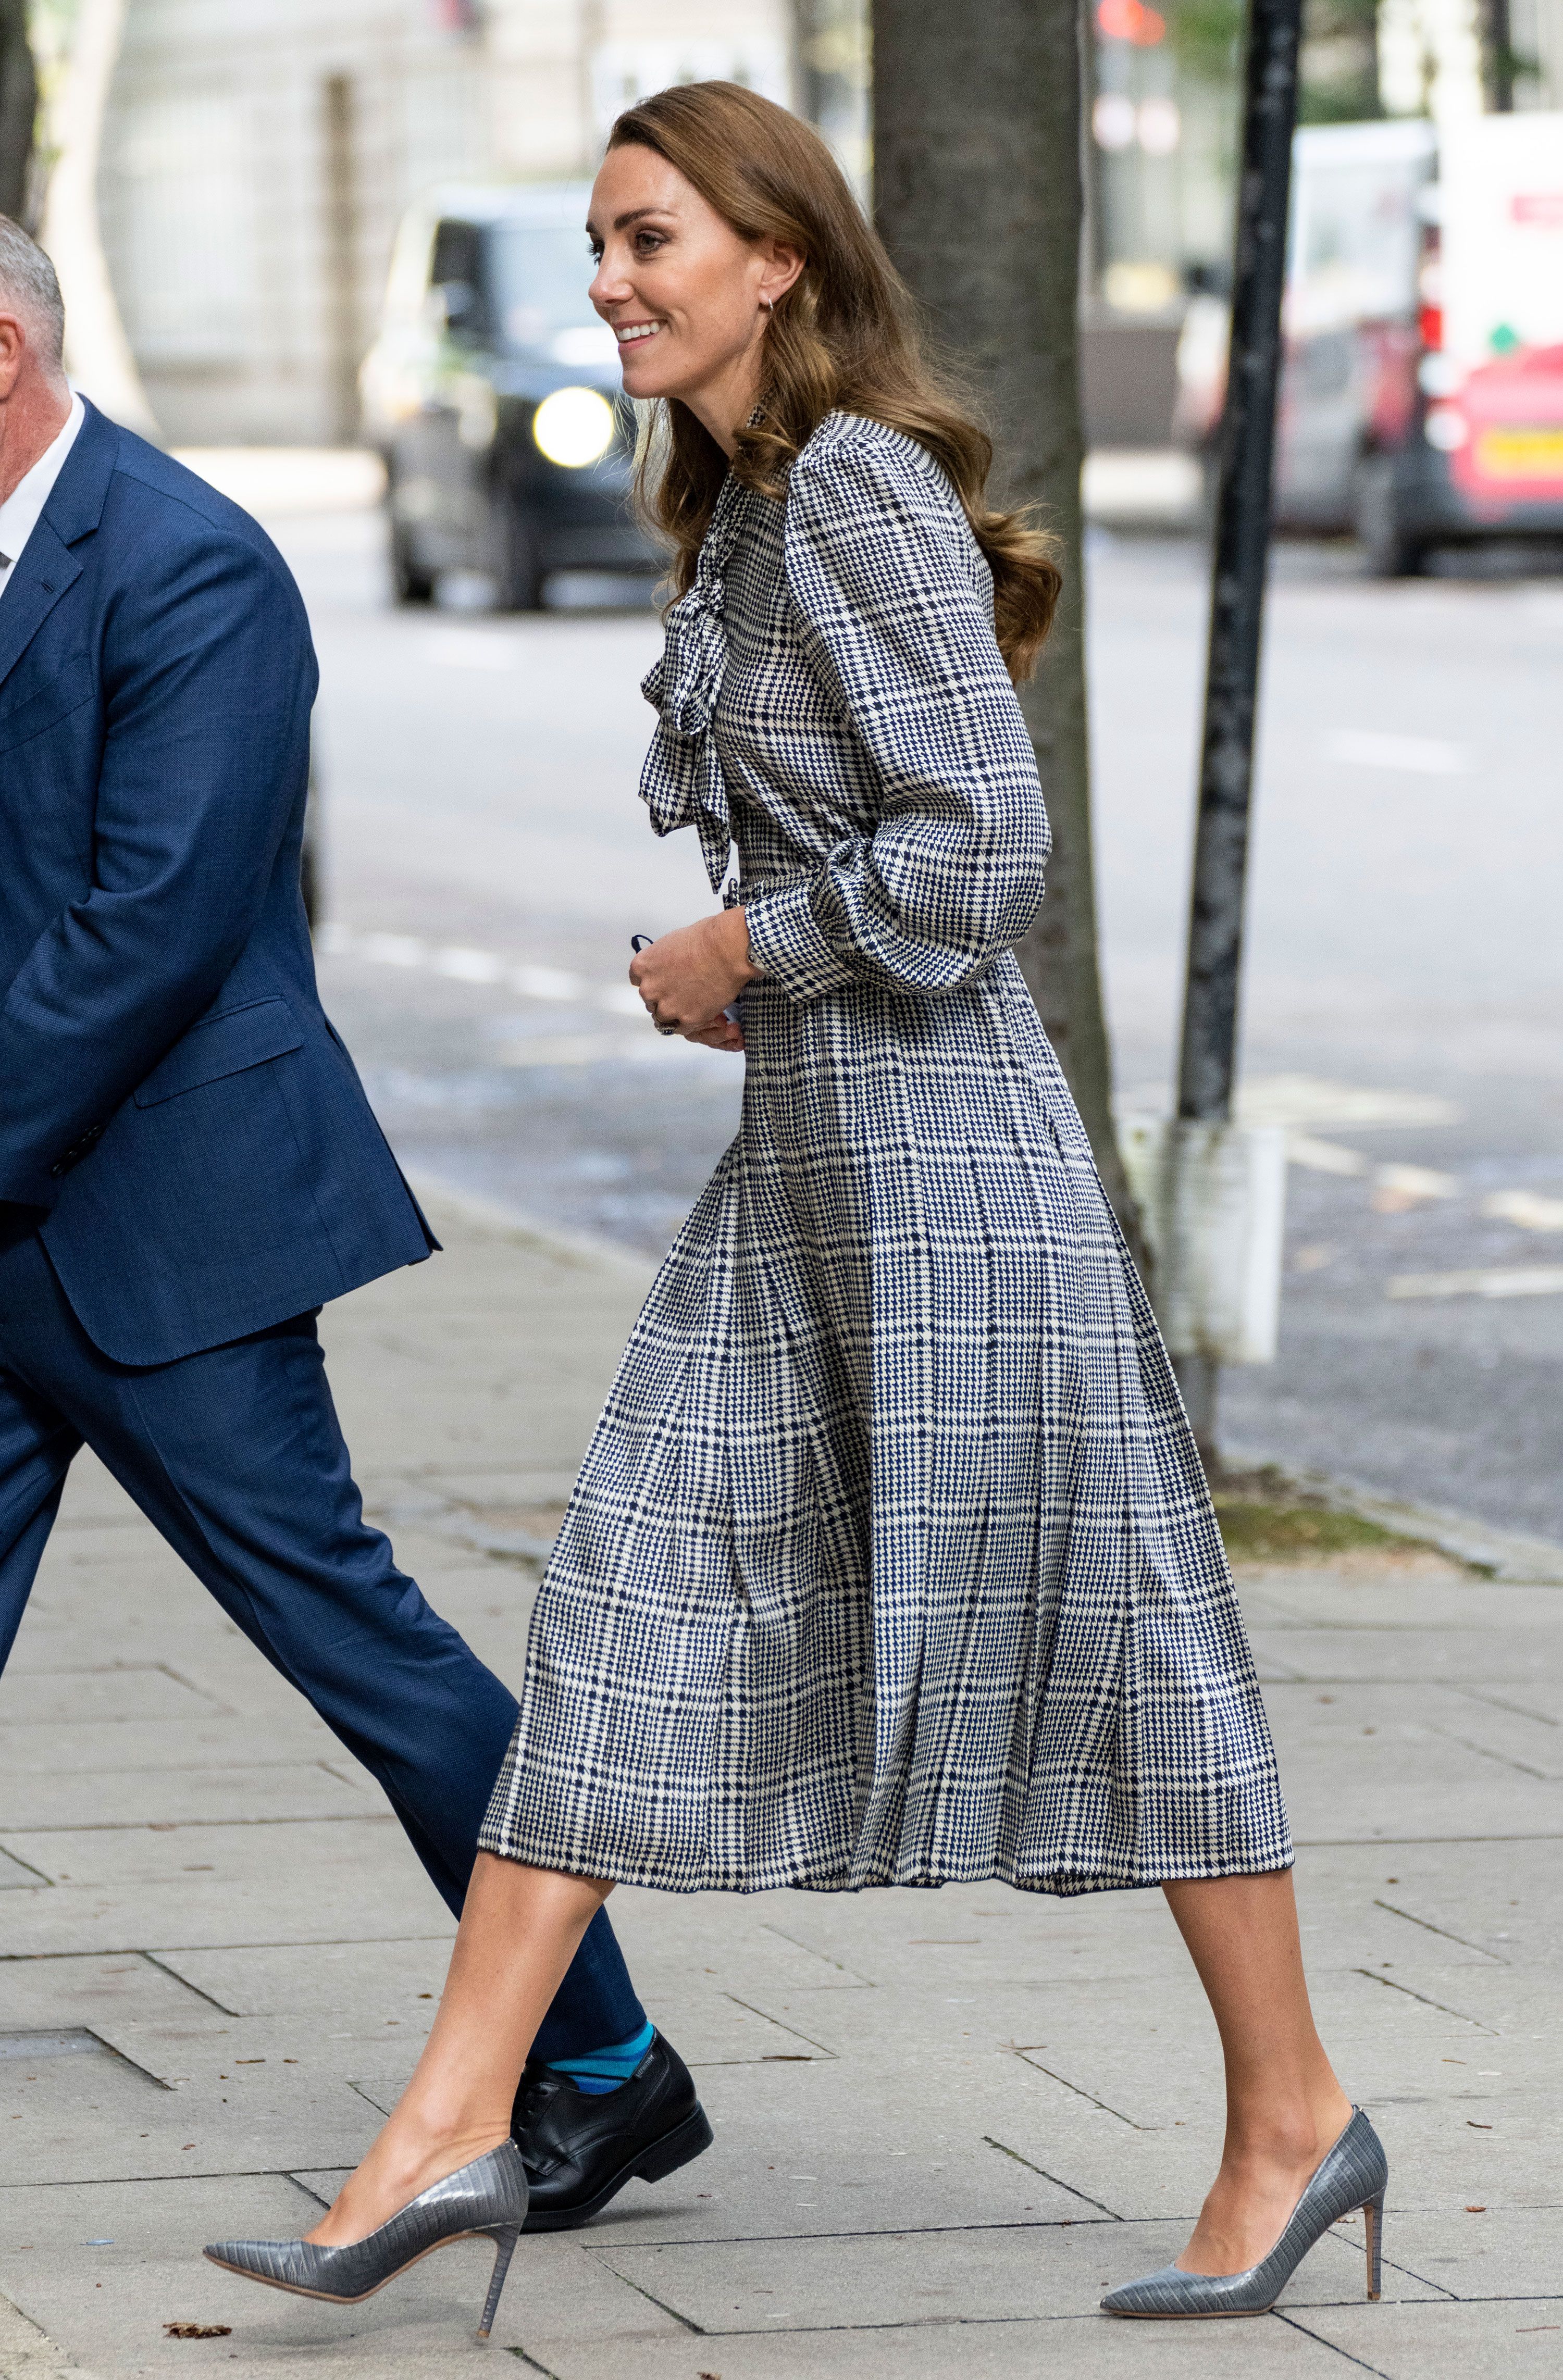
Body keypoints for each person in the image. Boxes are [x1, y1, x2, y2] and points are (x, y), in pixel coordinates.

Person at [206, 82, 1387, 2336]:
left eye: (650, 238)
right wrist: (785, 990)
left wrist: (751, 951)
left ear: (780, 259)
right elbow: (894, 864)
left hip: (955, 1184)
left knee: (1122, 1639)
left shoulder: (848, 491)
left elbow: (985, 845)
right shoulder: (737, 503)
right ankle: (452, 2122)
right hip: (815, 1167)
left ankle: (1291, 2115)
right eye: (600, 242)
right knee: (624, 1605)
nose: (610, 278)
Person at [0, 214, 709, 2239]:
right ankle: (597, 2058)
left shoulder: (191, 563)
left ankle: (598, 2061)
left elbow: (151, 925)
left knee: (358, 1645)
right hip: (18, 1216)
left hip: (167, 1236)